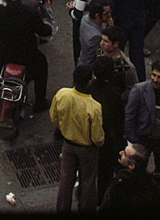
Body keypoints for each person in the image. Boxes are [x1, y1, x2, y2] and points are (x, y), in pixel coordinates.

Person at [51, 62, 106, 210]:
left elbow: (54, 117)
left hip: (68, 145)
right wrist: (99, 143)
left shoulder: (62, 94)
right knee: (88, 181)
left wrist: (64, 129)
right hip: (87, 149)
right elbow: (97, 137)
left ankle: (62, 208)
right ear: (90, 82)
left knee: (66, 178)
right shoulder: (94, 107)